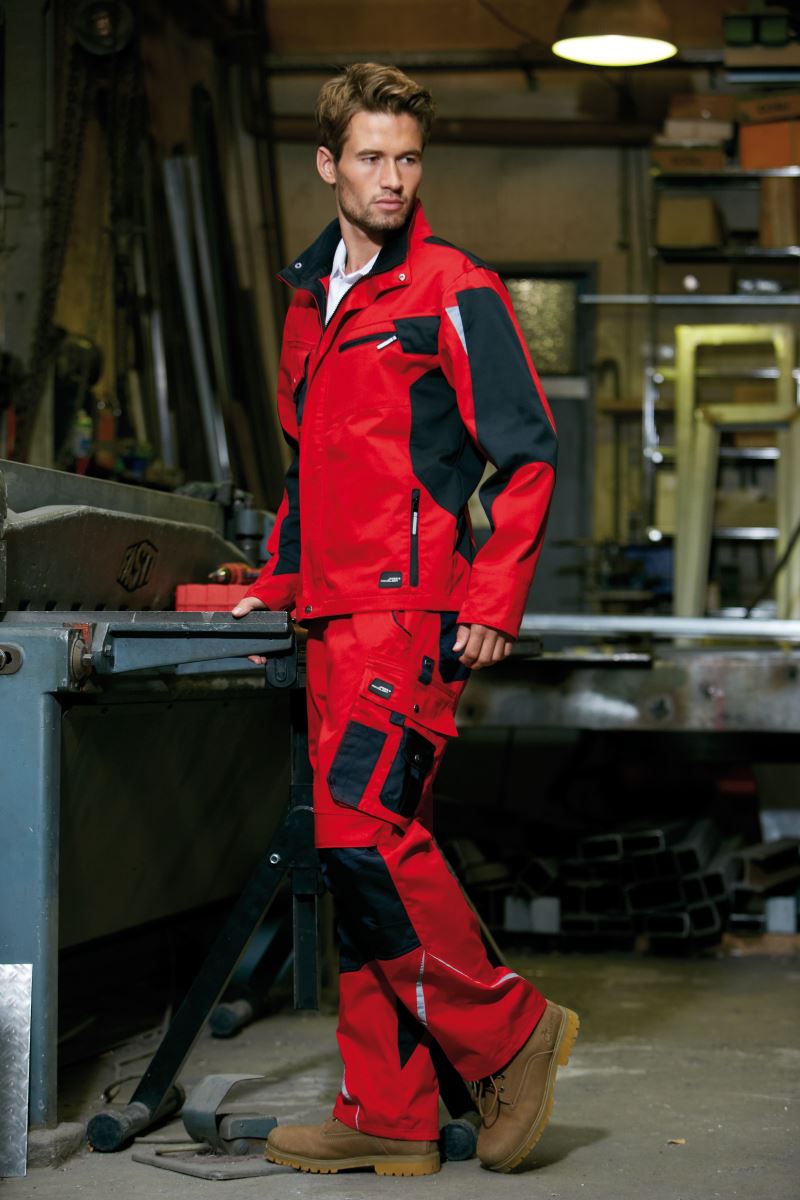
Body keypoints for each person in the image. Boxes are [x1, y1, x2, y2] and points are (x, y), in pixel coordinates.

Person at [232, 62, 576, 1178]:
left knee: (362, 837)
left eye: (409, 158)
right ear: (327, 165)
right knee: (363, 855)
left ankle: (510, 1034)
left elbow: (528, 452)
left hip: (409, 615)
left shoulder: (452, 288)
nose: (392, 179)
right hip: (331, 619)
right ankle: (386, 1112)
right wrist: (278, 583)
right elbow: (305, 469)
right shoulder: (310, 301)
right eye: (371, 158)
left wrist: (493, 597)